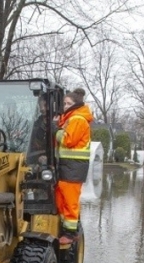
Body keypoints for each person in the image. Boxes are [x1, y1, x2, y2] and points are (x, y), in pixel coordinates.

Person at [55, 89, 94, 246]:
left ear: (76, 105)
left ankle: (71, 234)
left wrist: (55, 130)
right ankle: (68, 228)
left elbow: (68, 140)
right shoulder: (70, 119)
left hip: (74, 167)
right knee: (62, 198)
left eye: (68, 103)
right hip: (69, 166)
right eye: (64, 103)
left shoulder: (77, 119)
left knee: (70, 201)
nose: (65, 106)